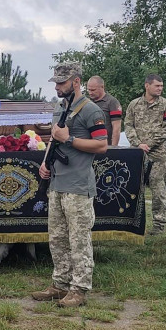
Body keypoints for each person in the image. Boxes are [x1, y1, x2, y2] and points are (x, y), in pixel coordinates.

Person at [30, 61, 108, 308]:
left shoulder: (91, 110)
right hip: (57, 182)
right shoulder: (59, 107)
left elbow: (101, 146)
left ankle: (79, 289)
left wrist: (71, 139)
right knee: (58, 238)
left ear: (76, 82)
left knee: (79, 239)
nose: (58, 87)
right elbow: (54, 140)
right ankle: (60, 284)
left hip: (78, 185)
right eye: (56, 82)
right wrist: (45, 163)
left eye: (62, 83)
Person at [124, 74, 166, 234]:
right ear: (147, 86)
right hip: (138, 154)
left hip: (158, 156)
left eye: (161, 86)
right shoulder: (134, 104)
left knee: (159, 191)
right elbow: (128, 124)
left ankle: (159, 226)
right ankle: (131, 223)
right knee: (133, 190)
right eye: (157, 86)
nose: (160, 88)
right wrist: (138, 143)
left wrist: (150, 144)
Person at [85, 75, 122, 146]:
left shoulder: (112, 102)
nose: (90, 93)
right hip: (88, 145)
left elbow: (116, 128)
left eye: (93, 90)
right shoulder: (86, 102)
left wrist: (113, 148)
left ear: (102, 87)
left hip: (105, 145)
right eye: (88, 90)